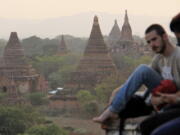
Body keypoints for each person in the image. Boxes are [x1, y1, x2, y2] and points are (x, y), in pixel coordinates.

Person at [93, 24, 180, 124]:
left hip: (173, 98)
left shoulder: (178, 56)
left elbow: (143, 73)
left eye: (154, 39)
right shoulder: (159, 58)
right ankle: (113, 110)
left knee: (143, 69)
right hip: (161, 94)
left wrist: (162, 99)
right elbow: (140, 78)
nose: (152, 44)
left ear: (165, 37)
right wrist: (117, 91)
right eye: (149, 42)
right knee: (129, 97)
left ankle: (112, 110)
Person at [140, 13, 180, 135]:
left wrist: (174, 98)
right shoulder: (159, 59)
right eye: (177, 34)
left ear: (165, 37)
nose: (178, 37)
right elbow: (147, 75)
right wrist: (158, 98)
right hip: (173, 104)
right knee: (146, 124)